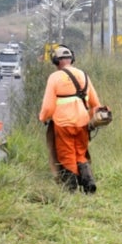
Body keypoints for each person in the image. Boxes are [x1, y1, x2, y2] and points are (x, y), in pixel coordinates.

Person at [38, 44, 102, 193]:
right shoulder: (84, 75)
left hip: (63, 124)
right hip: (82, 122)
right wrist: (90, 121)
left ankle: (70, 187)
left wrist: (42, 117)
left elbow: (48, 107)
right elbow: (95, 104)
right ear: (72, 59)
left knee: (66, 154)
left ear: (55, 61)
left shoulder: (54, 77)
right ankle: (88, 183)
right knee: (80, 152)